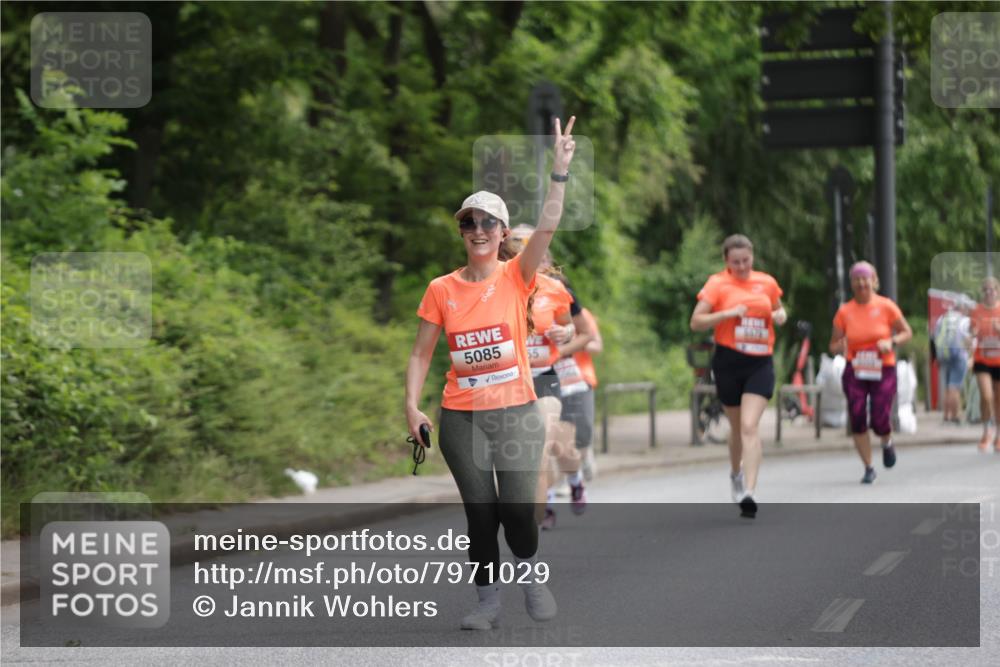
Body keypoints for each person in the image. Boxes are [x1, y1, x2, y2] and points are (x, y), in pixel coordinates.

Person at [404, 116, 577, 630]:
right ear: (461, 230)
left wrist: (560, 172)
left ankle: (531, 573)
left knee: (518, 512)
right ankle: (487, 603)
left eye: (486, 223)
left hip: (518, 411)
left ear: (502, 233)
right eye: (468, 223)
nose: (477, 231)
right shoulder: (441, 289)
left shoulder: (517, 276)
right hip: (462, 417)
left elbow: (547, 225)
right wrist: (411, 406)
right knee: (480, 514)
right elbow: (420, 354)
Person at [690, 234, 786, 518]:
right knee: (736, 428)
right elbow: (696, 322)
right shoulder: (717, 284)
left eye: (746, 261)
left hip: (760, 362)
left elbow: (780, 310)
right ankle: (735, 473)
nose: (742, 267)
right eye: (736, 262)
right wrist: (728, 313)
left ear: (752, 258)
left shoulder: (766, 282)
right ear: (726, 261)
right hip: (729, 361)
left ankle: (750, 491)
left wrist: (780, 315)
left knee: (749, 426)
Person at [505, 226, 593, 529]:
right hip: (512, 381)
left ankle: (572, 481)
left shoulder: (557, 288)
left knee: (556, 446)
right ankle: (545, 506)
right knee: (533, 449)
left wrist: (564, 336)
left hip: (550, 375)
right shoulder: (499, 286)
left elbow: (583, 333)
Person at [829, 261, 913, 484]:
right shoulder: (844, 311)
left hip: (883, 367)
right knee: (856, 416)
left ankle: (886, 441)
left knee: (879, 417)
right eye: (856, 279)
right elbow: (833, 345)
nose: (861, 283)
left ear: (874, 281)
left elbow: (907, 332)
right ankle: (868, 467)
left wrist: (891, 341)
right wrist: (842, 344)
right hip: (855, 368)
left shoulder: (886, 306)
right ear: (852, 283)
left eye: (865, 278)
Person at [971, 276, 1000, 452]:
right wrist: (972, 333)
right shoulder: (977, 311)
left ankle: (998, 435)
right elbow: (970, 331)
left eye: (992, 289)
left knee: (999, 400)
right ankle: (986, 431)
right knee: (987, 395)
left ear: (997, 291)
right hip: (982, 359)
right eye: (986, 290)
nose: (989, 293)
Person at [933, 298, 972, 423]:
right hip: (959, 355)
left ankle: (946, 415)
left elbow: (934, 337)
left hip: (944, 355)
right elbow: (968, 340)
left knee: (947, 386)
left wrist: (936, 356)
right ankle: (956, 415)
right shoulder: (964, 320)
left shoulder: (942, 318)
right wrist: (970, 354)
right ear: (963, 308)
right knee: (955, 386)